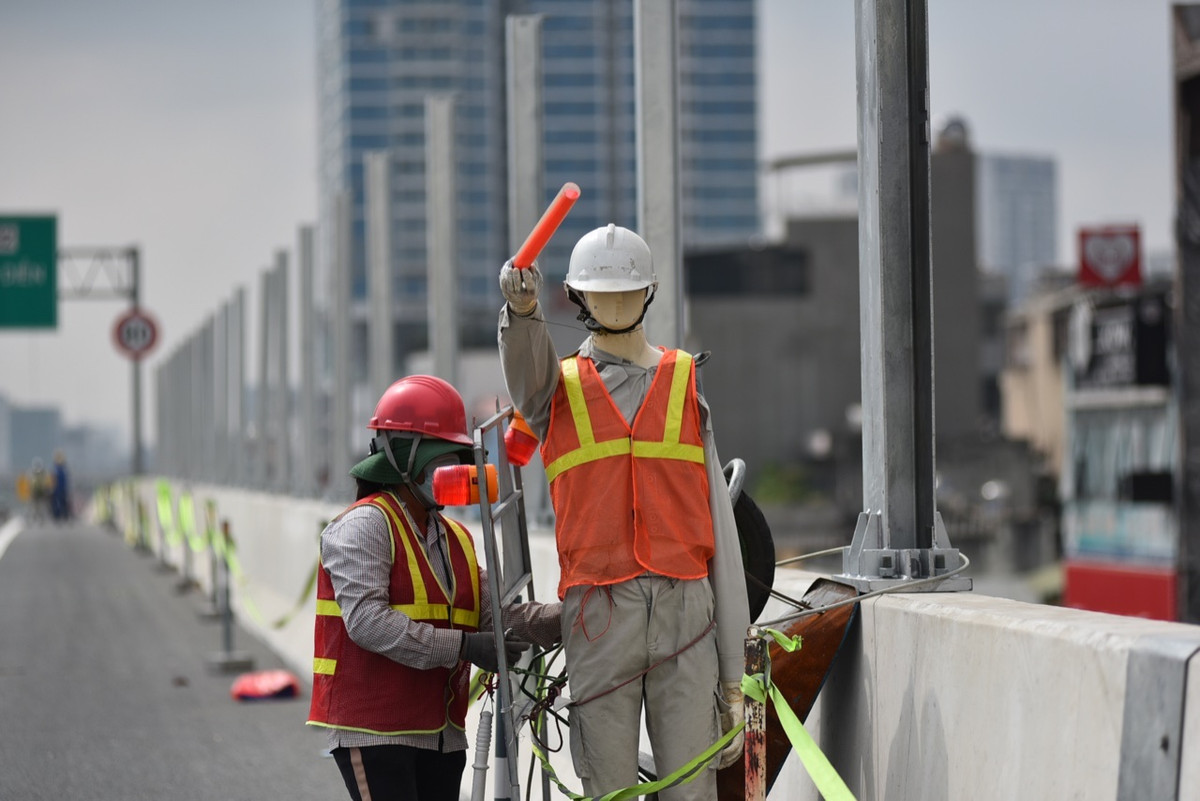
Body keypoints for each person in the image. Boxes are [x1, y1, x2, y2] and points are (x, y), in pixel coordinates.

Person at [497, 224, 751, 801]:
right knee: (607, 790)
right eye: (602, 291)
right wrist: (523, 310)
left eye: (627, 290)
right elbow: (524, 368)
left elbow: (723, 534)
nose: (616, 301)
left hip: (688, 613)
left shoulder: (685, 381)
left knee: (692, 792)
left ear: (651, 291)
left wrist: (733, 676)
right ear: (578, 298)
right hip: (598, 616)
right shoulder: (552, 391)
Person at [307, 374, 562, 801]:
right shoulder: (365, 525)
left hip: (441, 735)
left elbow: (497, 617)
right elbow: (368, 623)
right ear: (404, 457)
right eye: (441, 458)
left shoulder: (456, 537)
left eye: (455, 458)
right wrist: (464, 648)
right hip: (376, 734)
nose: (450, 470)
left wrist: (571, 615)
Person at [50, 450, 71, 521]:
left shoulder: (62, 469)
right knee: (56, 503)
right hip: (57, 489)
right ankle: (57, 515)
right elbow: (53, 480)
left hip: (62, 489)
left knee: (63, 503)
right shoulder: (57, 469)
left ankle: (64, 515)